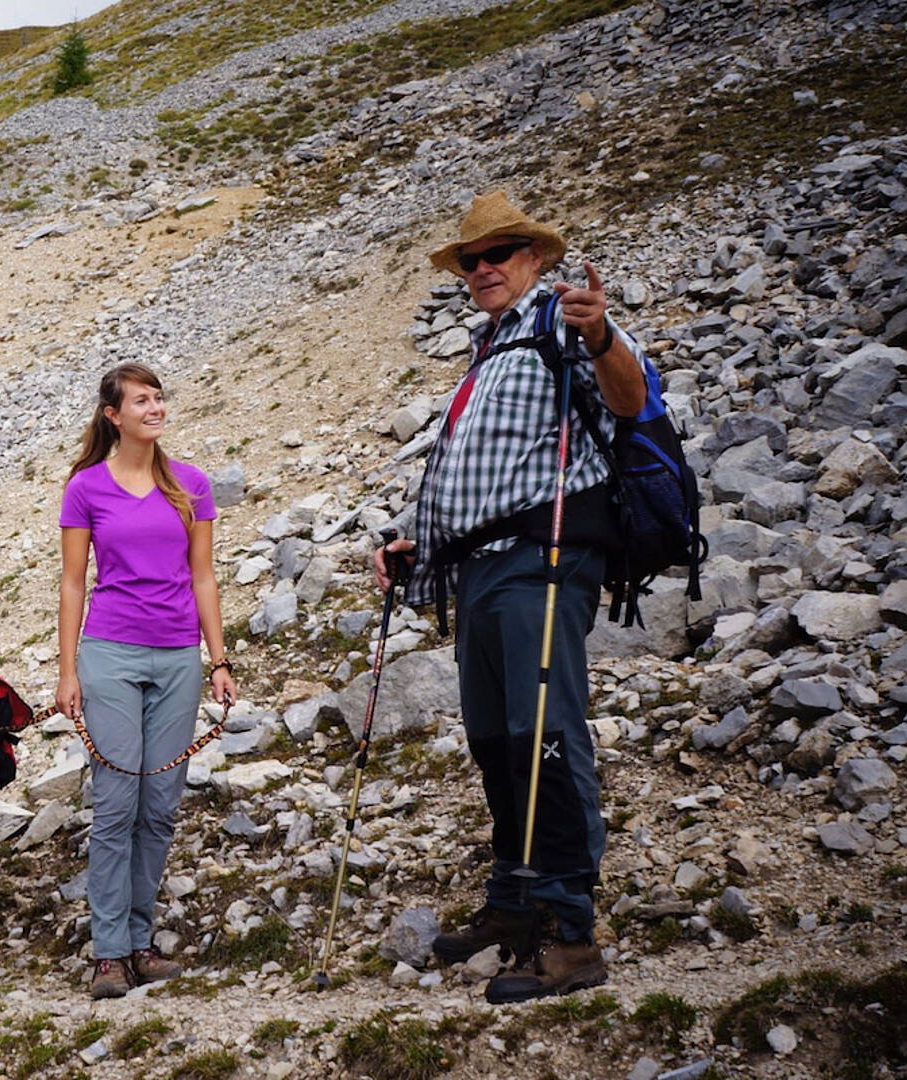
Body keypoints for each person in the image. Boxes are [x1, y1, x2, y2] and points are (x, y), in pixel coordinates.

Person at [374, 190, 650, 1003]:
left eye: (500, 253)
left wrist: (599, 332)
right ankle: (514, 901)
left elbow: (630, 399)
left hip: (544, 562)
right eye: (471, 258)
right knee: (497, 740)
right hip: (482, 569)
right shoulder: (490, 346)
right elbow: (486, 476)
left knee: (546, 736)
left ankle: (570, 936)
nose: (483, 267)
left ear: (535, 257)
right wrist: (417, 544)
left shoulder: (566, 322)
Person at [56, 362, 238, 1000]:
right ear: (114, 415)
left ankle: (140, 942)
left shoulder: (191, 485)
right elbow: (74, 582)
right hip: (108, 655)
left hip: (178, 659)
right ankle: (108, 954)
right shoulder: (85, 488)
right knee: (116, 804)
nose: (155, 408)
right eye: (141, 400)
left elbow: (204, 579)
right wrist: (68, 670)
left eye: (159, 397)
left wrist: (219, 660)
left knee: (158, 809)